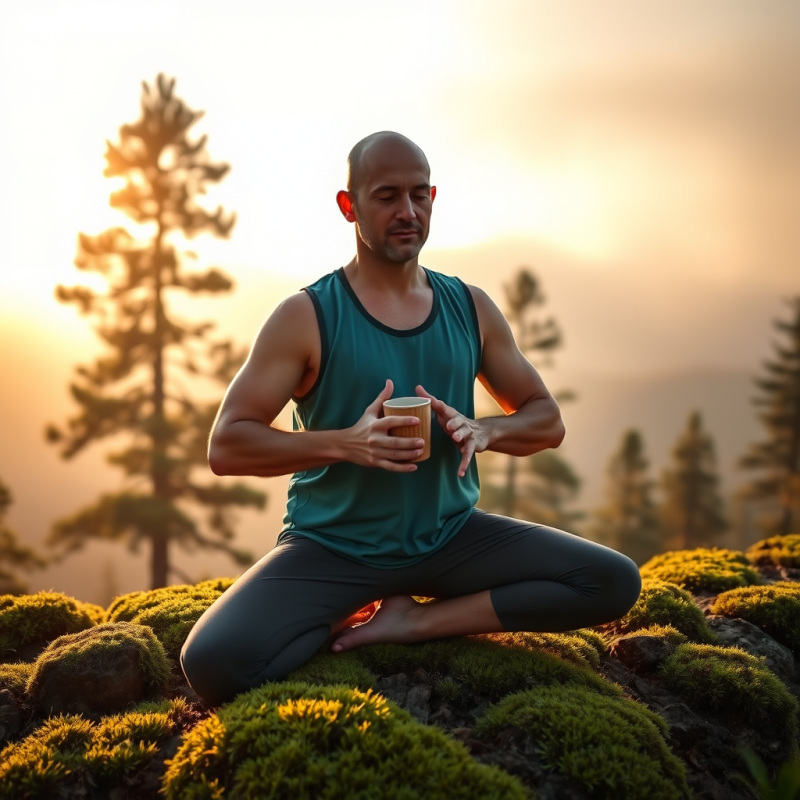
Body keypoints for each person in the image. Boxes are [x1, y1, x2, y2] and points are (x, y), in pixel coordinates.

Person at [180, 131, 641, 706]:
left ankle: (417, 623)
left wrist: (485, 431)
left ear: (433, 199)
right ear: (349, 206)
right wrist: (347, 444)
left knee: (612, 580)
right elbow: (227, 445)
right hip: (333, 549)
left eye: (420, 195)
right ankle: (342, 612)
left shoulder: (468, 307)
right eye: (387, 196)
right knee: (212, 661)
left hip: (451, 539)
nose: (408, 211)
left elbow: (545, 419)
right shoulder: (308, 316)